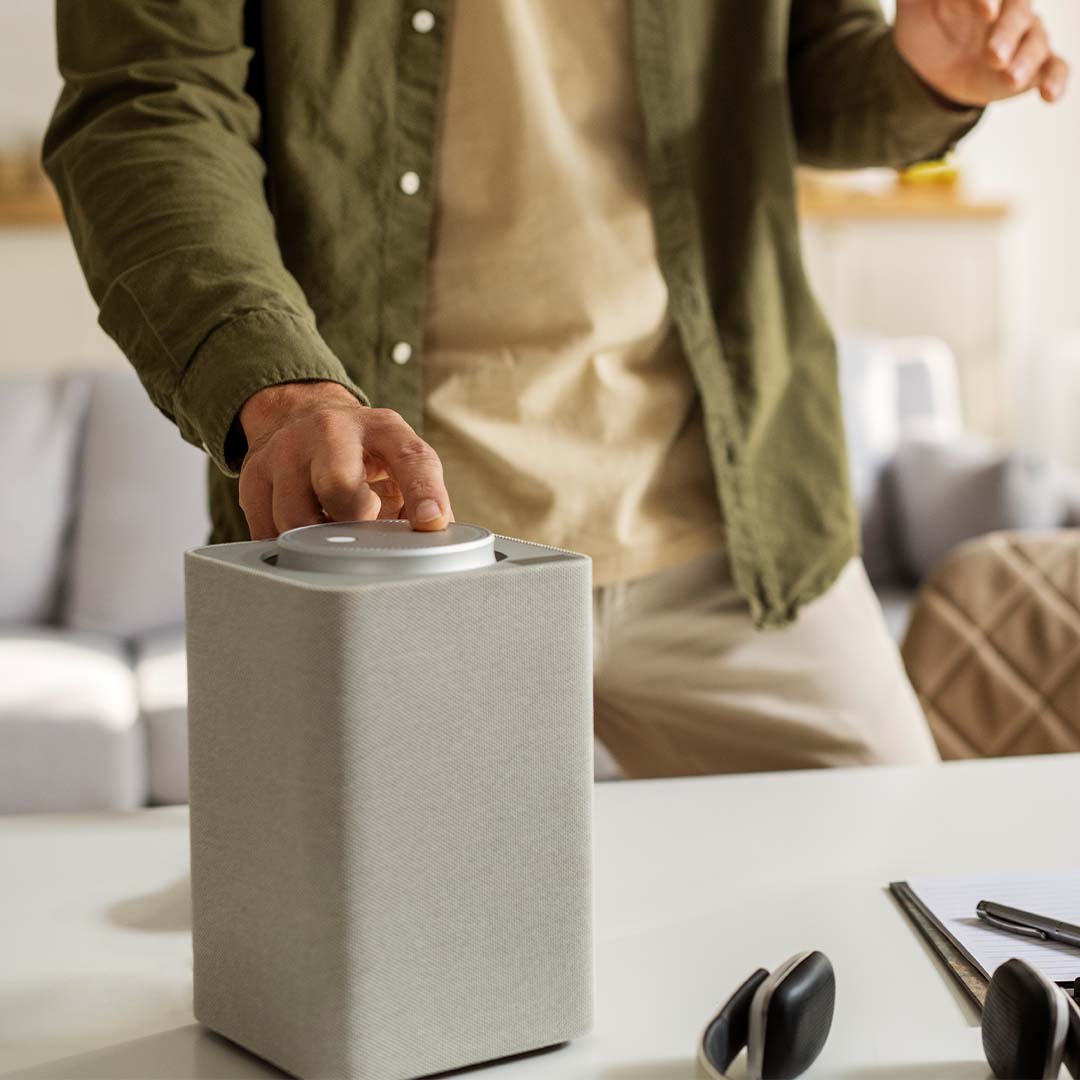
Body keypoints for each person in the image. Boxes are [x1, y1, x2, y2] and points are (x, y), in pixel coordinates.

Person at [44, 0, 1068, 778]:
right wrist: (287, 394)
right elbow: (151, 99)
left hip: (739, 531)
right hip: (377, 549)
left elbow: (799, 68)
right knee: (365, 978)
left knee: (897, 917)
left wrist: (915, 77)